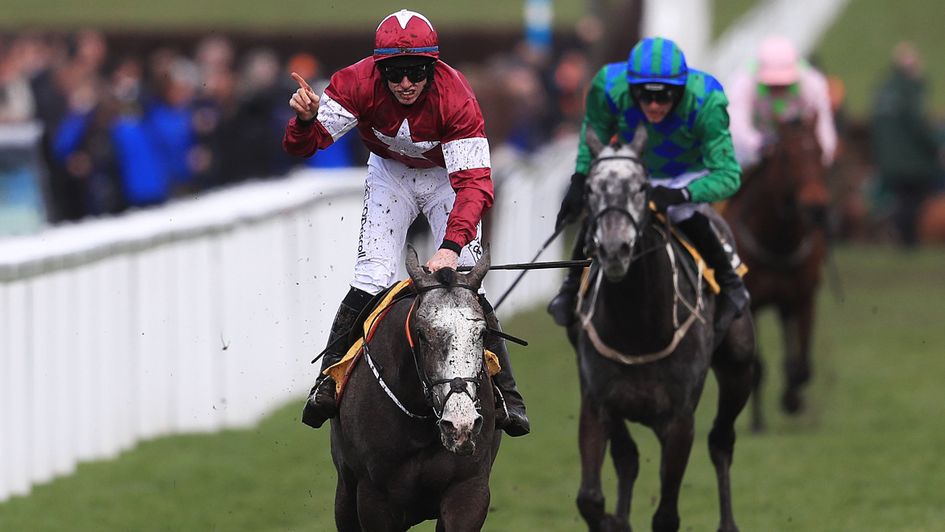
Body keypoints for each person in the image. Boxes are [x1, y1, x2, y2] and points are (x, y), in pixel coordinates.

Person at [283, 9, 529, 436]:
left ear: (433, 67)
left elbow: (475, 185)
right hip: (389, 176)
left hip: (445, 180)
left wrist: (450, 246)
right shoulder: (354, 84)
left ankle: (506, 393)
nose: (405, 83)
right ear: (379, 71)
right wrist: (304, 121)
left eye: (416, 71)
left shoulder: (457, 97)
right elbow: (305, 147)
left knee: (468, 281)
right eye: (394, 73)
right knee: (371, 277)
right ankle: (328, 381)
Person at [547, 36, 750, 336]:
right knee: (603, 207)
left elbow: (729, 174)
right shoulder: (608, 86)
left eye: (665, 96)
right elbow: (596, 132)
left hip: (688, 174)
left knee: (681, 213)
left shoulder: (707, 100)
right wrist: (579, 179)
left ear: (680, 90)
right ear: (631, 89)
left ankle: (731, 284)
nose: (654, 105)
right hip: (634, 168)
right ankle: (570, 286)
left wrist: (683, 193)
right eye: (645, 96)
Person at [870, 41, 943, 247]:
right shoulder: (911, 90)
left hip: (885, 159)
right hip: (911, 162)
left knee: (901, 199)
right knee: (914, 198)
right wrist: (936, 145)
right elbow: (918, 126)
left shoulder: (883, 88)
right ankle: (908, 240)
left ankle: (895, 230)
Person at [728, 35, 837, 169]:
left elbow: (824, 127)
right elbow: (736, 129)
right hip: (754, 149)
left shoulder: (813, 83)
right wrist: (760, 145)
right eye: (773, 84)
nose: (778, 89)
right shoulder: (742, 83)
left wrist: (824, 157)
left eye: (784, 83)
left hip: (798, 147)